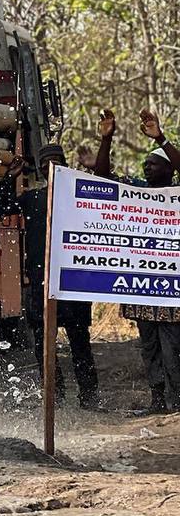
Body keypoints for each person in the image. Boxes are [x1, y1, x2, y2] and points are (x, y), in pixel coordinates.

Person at [0, 146, 102, 409]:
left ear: (63, 166)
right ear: (40, 168)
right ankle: (55, 394)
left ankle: (89, 396)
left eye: (56, 162)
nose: (50, 167)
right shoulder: (32, 198)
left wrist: (92, 169)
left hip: (74, 280)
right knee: (43, 342)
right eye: (46, 163)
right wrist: (9, 177)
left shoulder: (79, 198)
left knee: (79, 341)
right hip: (42, 281)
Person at [94, 108, 180, 412]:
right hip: (143, 286)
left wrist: (161, 137)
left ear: (169, 169)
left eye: (153, 163)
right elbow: (103, 177)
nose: (146, 167)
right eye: (145, 163)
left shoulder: (177, 194)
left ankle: (176, 400)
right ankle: (158, 399)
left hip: (172, 289)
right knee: (149, 348)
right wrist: (107, 139)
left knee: (174, 348)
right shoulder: (136, 191)